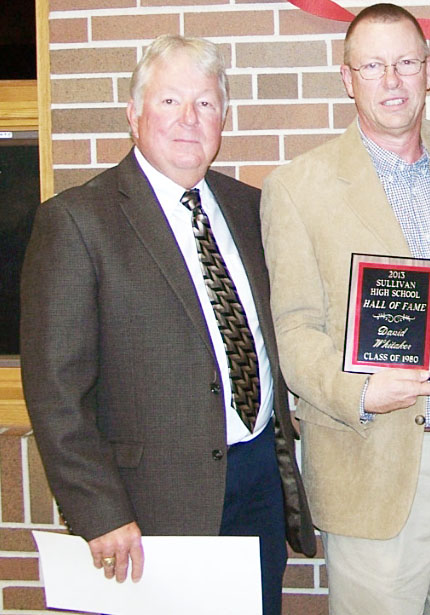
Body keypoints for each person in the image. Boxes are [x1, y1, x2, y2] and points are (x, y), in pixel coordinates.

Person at [20, 34, 315, 615]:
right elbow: (56, 392)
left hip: (257, 478)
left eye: (205, 104)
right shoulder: (78, 222)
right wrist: (100, 512)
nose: (189, 120)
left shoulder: (249, 208)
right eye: (169, 102)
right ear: (134, 114)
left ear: (223, 119)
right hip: (151, 502)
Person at [260, 4, 430, 614]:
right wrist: (358, 390)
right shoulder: (298, 188)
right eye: (374, 65)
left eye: (406, 62)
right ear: (347, 77)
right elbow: (296, 331)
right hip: (371, 455)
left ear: (429, 72)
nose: (392, 80)